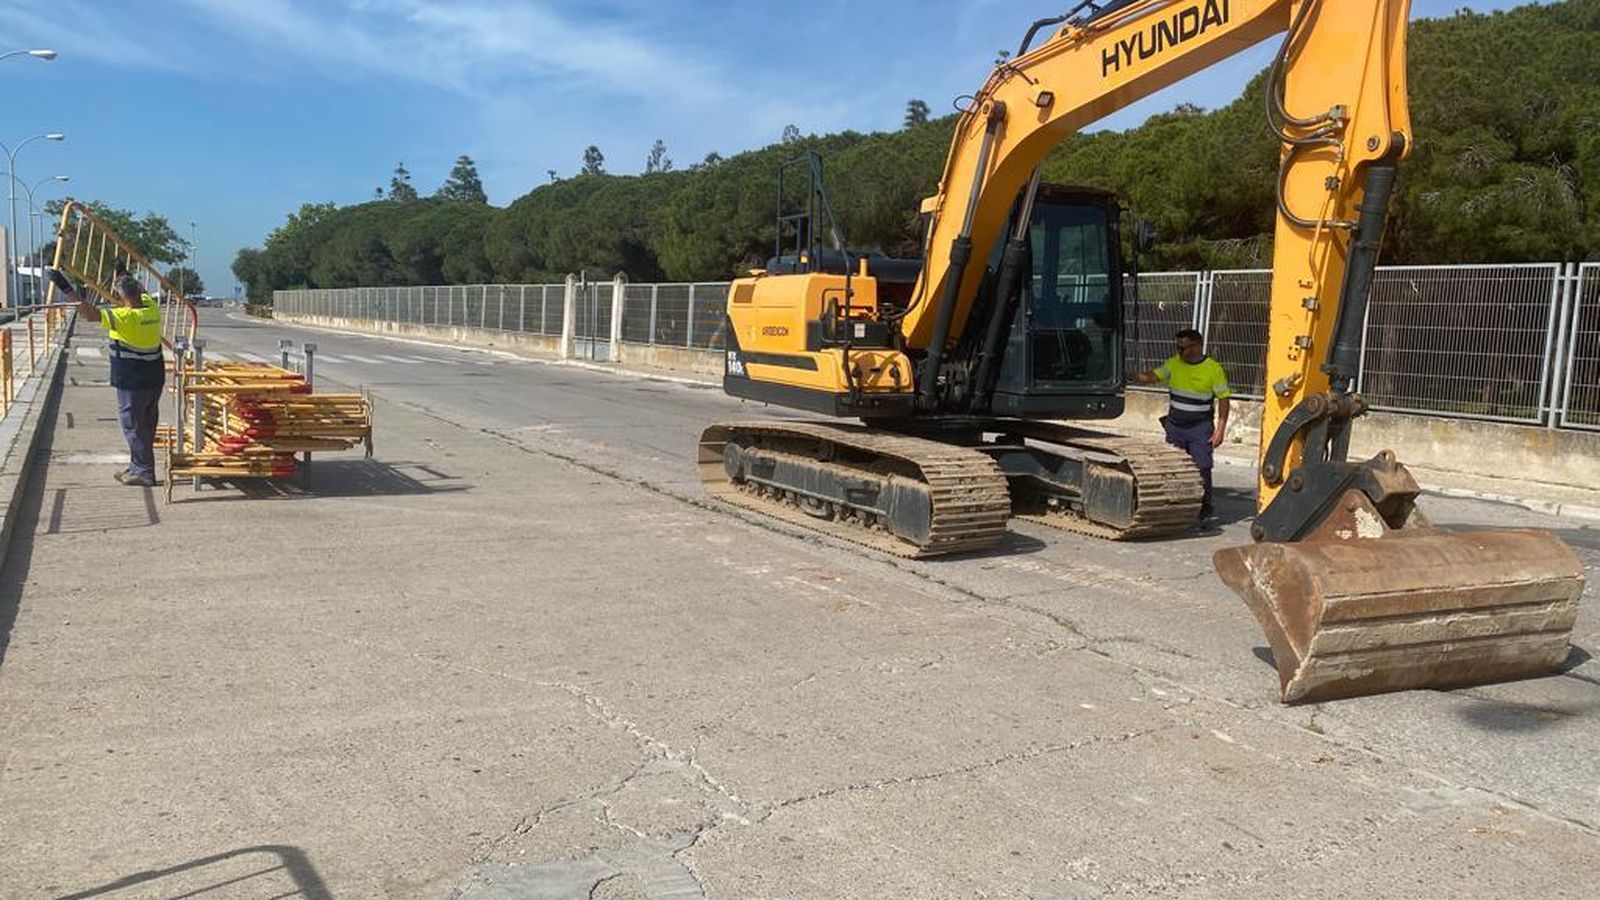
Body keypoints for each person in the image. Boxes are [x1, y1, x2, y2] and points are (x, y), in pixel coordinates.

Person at [47, 266, 165, 487]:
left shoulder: (125, 317)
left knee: (134, 426)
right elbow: (136, 291)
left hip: (132, 381)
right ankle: (138, 465)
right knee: (147, 425)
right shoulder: (151, 308)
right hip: (154, 379)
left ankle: (144, 471)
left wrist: (66, 288)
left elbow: (90, 314)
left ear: (122, 298)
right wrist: (122, 274)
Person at [1131, 328, 1231, 520]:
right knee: (1174, 466)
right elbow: (1152, 376)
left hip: (1200, 427)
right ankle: (1175, 504)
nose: (1179, 352)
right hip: (1176, 426)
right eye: (1177, 347)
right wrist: (1132, 376)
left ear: (1197, 346)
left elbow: (1224, 400)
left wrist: (1220, 430)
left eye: (1183, 348)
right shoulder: (1174, 364)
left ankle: (1204, 507)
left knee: (1202, 466)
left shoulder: (1213, 369)